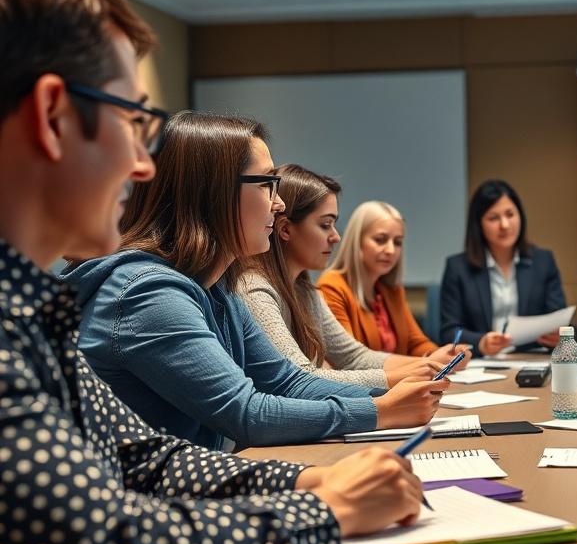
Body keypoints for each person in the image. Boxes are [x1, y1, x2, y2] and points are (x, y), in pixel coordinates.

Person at [0, 0, 424, 544]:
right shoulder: (86, 302)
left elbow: (145, 455)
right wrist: (326, 511)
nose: (143, 166)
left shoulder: (34, 309)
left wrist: (307, 483)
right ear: (54, 117)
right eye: (132, 123)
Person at [66, 112, 448, 452]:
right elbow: (246, 413)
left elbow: (287, 382)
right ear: (213, 193)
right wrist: (378, 411)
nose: (279, 203)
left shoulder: (217, 288)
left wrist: (393, 395)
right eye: (267, 184)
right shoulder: (148, 293)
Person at [240, 165, 452, 389]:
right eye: (325, 225)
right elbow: (301, 378)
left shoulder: (305, 290)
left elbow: (353, 357)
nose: (336, 237)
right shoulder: (255, 289)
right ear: (285, 230)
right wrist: (404, 375)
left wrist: (426, 366)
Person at [318, 201, 471, 366]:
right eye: (380, 240)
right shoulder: (332, 286)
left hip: (400, 383)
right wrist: (427, 363)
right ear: (357, 241)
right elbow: (349, 360)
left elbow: (417, 343)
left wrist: (444, 356)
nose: (391, 250)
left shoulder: (391, 290)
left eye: (397, 242)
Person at [440, 179, 567, 356]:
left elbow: (559, 320)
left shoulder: (543, 261)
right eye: (493, 218)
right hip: (480, 364)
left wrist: (560, 336)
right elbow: (449, 332)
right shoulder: (458, 267)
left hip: (531, 359)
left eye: (510, 214)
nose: (504, 225)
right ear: (479, 224)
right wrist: (480, 342)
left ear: (520, 216)